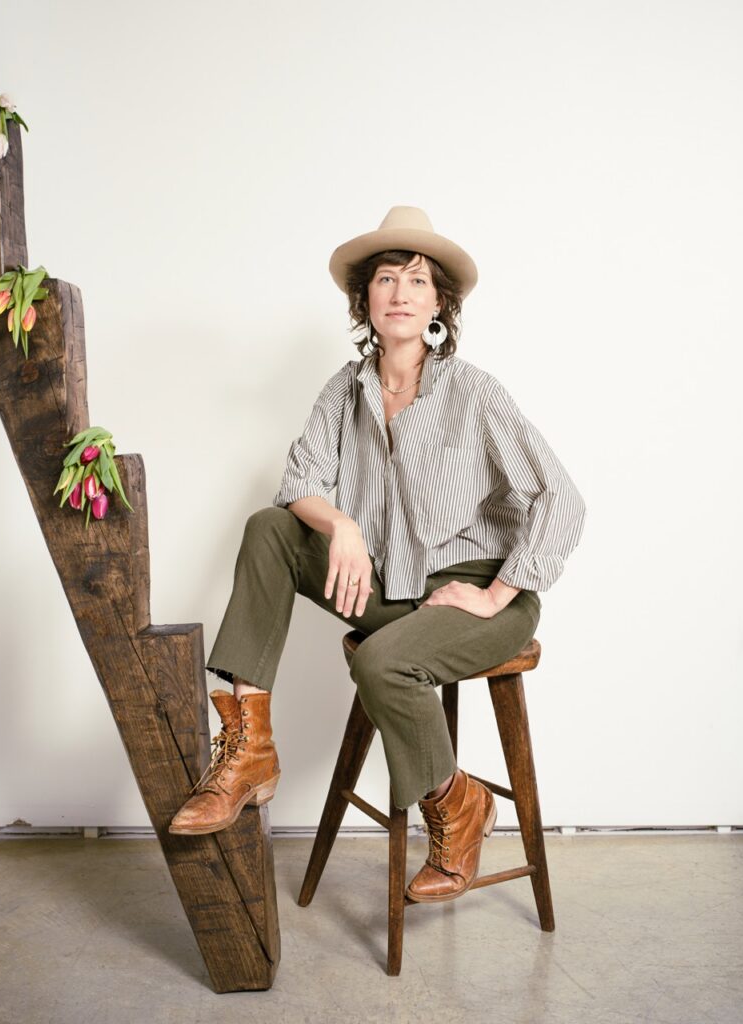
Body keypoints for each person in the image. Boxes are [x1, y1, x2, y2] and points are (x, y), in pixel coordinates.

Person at [169, 206, 587, 903]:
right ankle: (250, 751)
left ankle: (458, 803)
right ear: (364, 299)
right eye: (386, 279)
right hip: (389, 586)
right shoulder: (346, 389)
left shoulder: (474, 392)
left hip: (479, 594)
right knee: (269, 528)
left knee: (381, 662)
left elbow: (562, 500)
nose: (400, 293)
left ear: (439, 304)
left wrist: (494, 594)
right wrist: (343, 526)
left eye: (418, 281)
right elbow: (298, 485)